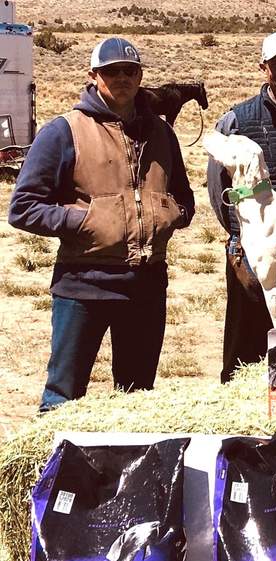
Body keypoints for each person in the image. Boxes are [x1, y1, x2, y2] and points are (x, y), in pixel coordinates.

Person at [9, 37, 194, 411]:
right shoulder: (64, 131)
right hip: (83, 286)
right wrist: (85, 220)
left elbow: (184, 197)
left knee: (137, 400)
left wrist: (171, 213)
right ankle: (56, 468)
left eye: (130, 70)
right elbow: (23, 207)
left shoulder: (161, 133)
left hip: (147, 284)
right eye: (111, 71)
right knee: (64, 395)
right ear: (94, 75)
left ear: (141, 76)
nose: (121, 78)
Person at [207, 30, 276, 383]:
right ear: (263, 68)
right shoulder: (238, 120)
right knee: (247, 339)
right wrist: (239, 237)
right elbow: (217, 187)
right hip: (251, 246)